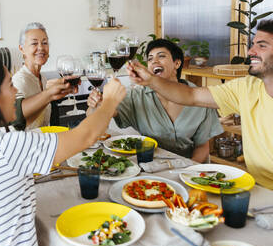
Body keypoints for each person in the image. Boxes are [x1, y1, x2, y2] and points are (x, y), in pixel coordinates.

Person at [0, 53, 125, 246]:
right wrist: (110, 101)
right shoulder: (3, 147)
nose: (16, 92)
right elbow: (86, 137)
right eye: (10, 85)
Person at [127, 18, 273, 205]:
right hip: (255, 194)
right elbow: (190, 96)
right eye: (253, 44)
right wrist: (150, 80)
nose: (251, 51)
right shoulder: (247, 88)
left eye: (262, 45)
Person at [87, 39, 223, 162]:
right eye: (150, 59)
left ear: (177, 63)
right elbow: (100, 117)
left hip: (191, 168)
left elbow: (203, 145)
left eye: (161, 56)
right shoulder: (136, 95)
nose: (154, 61)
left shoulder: (198, 96)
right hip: (151, 166)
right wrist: (96, 105)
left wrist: (188, 169)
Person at [12, 22, 74, 129]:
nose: (41, 47)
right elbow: (16, 120)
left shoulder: (42, 78)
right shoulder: (19, 81)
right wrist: (48, 94)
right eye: (34, 43)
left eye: (45, 43)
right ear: (22, 49)